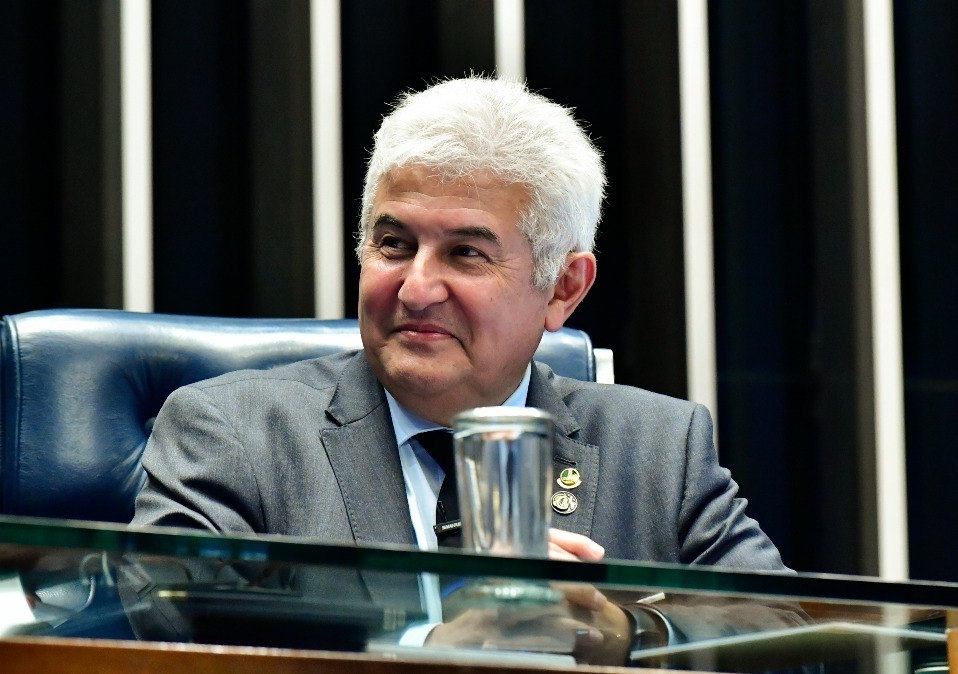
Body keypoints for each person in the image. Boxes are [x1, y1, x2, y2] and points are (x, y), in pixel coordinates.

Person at [131, 76, 793, 664]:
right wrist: (423, 649)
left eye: (466, 254)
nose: (416, 288)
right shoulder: (234, 431)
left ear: (563, 288)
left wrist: (620, 633)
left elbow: (790, 634)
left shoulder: (656, 449)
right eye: (394, 244)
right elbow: (164, 618)